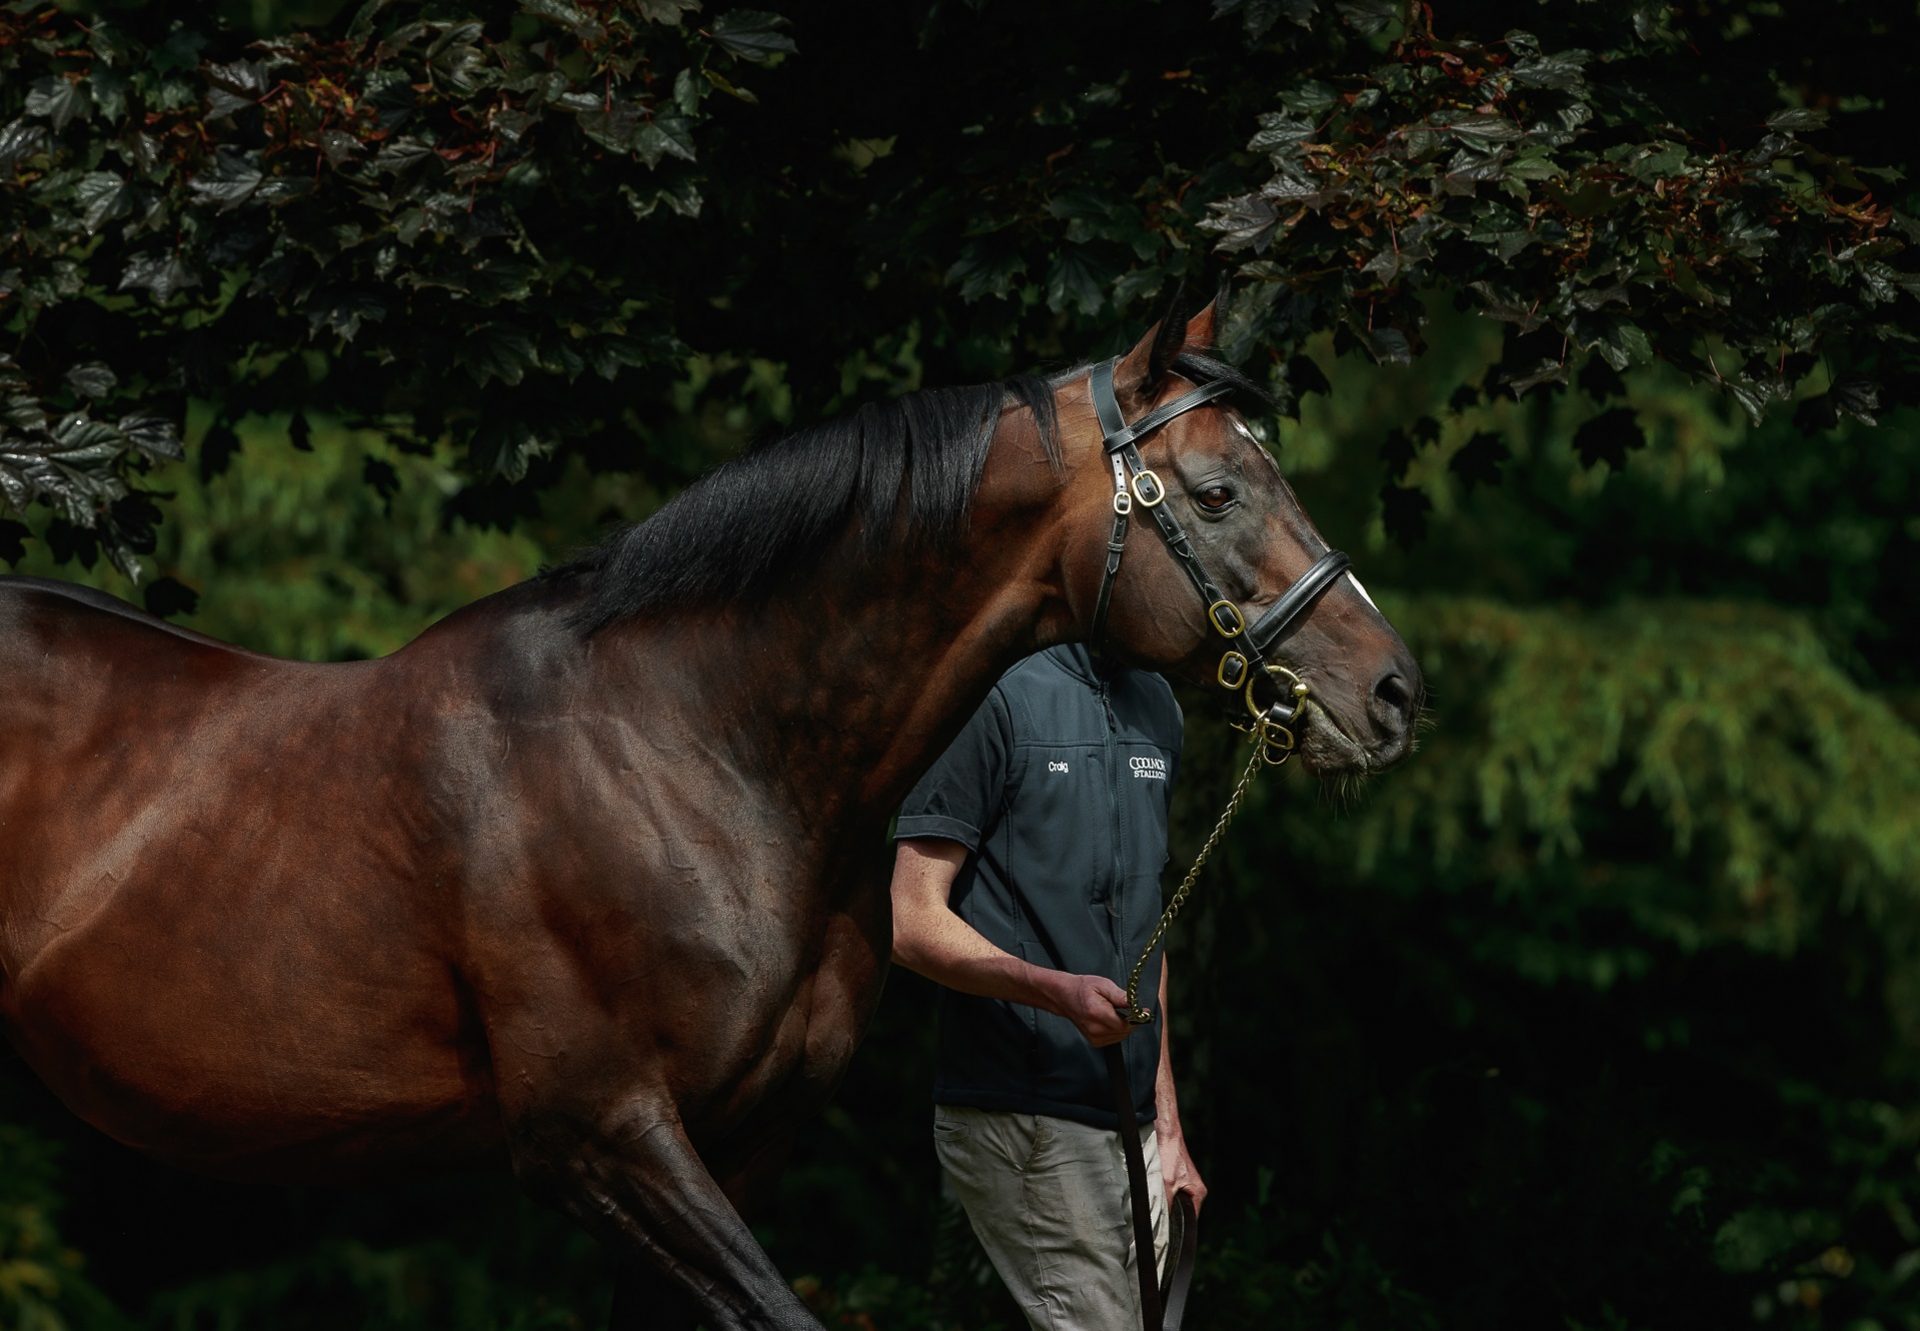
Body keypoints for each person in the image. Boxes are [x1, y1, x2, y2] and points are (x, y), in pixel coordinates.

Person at [890, 642, 1205, 1330]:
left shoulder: (1159, 705)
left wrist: (1170, 1131)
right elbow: (911, 921)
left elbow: (1147, 938)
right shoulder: (990, 696)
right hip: (1022, 1109)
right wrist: (1053, 990)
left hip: (1133, 1125)